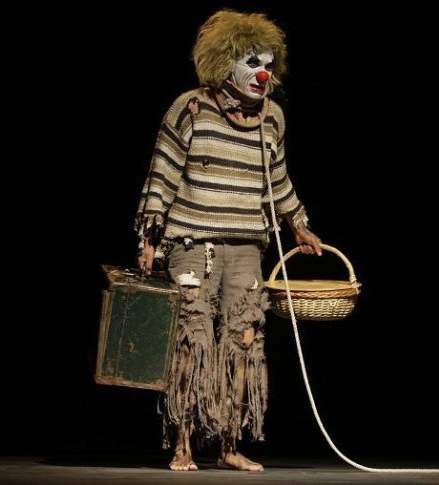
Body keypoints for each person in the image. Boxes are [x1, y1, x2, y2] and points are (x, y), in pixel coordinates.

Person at [135, 10, 322, 472]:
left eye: (269, 64)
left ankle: (228, 444)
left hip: (246, 246)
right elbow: (162, 172)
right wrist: (149, 237)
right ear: (224, 63)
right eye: (252, 62)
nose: (263, 74)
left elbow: (277, 180)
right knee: (192, 342)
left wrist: (298, 224)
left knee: (244, 341)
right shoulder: (191, 108)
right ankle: (183, 444)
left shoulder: (271, 118)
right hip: (193, 242)